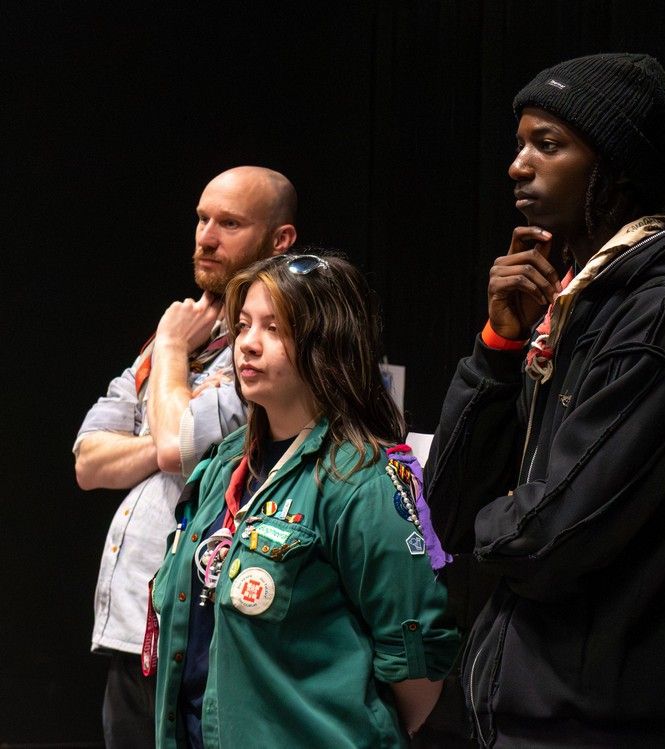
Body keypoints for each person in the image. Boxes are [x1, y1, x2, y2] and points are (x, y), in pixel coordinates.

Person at [425, 53, 665, 747]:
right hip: (523, 709)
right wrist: (498, 345)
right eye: (519, 143)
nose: (517, 166)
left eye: (547, 144)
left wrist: (507, 518)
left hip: (599, 725)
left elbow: (548, 536)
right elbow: (446, 512)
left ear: (616, 169)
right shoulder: (574, 301)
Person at [150, 253, 459, 747]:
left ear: (327, 343)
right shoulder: (225, 463)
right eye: (244, 325)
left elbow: (416, 672)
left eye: (274, 329)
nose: (248, 343)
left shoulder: (363, 480)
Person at [74, 166, 297, 747]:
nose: (207, 237)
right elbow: (89, 461)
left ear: (280, 240)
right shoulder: (182, 330)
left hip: (204, 631)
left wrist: (172, 352)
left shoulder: (268, 348)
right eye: (202, 220)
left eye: (230, 223)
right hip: (131, 628)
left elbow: (177, 447)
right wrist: (174, 422)